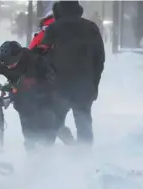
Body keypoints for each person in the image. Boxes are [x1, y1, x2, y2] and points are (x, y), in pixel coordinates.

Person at [0, 41, 73, 151]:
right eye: (6, 65)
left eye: (12, 64)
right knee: (30, 138)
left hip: (46, 101)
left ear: (20, 56)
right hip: (23, 104)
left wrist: (32, 84)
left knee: (48, 135)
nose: (9, 67)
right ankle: (34, 163)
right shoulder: (2, 63)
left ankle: (69, 143)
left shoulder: (36, 61)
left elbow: (53, 81)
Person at [38, 1, 105, 146]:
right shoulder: (91, 27)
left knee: (54, 123)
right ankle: (84, 158)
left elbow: (41, 56)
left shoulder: (54, 29)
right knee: (84, 124)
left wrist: (47, 80)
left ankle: (43, 157)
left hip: (59, 86)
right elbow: (99, 60)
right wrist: (94, 84)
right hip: (84, 86)